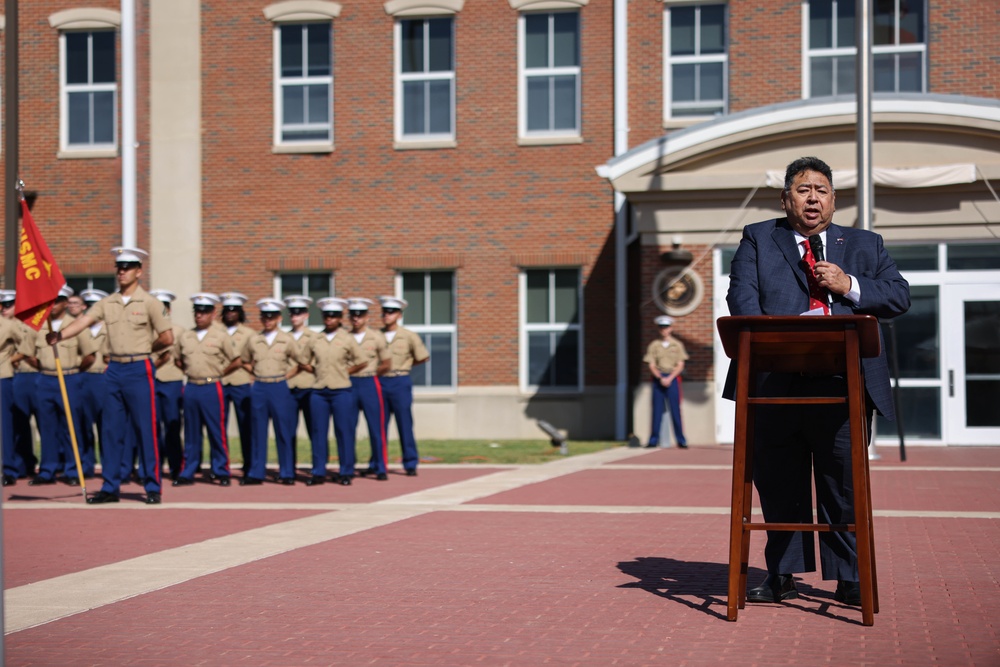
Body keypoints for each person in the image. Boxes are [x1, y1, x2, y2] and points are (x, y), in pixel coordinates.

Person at [725, 156, 910, 606]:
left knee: (841, 485)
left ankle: (848, 576)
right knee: (779, 483)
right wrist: (784, 336)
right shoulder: (759, 238)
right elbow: (742, 300)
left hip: (840, 385)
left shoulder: (865, 245)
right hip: (773, 383)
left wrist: (849, 284)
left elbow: (899, 296)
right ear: (786, 198)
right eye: (803, 189)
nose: (813, 198)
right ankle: (783, 574)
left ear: (833, 199)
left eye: (822, 190)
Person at [46, 247, 174, 505]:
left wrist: (148, 349)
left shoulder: (150, 303)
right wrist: (60, 335)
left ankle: (152, 486)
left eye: (128, 267)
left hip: (139, 368)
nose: (122, 271)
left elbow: (167, 338)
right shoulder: (108, 302)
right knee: (110, 429)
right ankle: (110, 486)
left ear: (139, 271)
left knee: (144, 428)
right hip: (113, 369)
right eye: (119, 267)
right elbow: (83, 321)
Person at [20, 285, 97, 485]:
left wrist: (75, 371)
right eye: (48, 301)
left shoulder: (76, 325)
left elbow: (90, 355)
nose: (52, 306)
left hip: (70, 377)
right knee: (46, 427)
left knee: (71, 427)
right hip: (45, 379)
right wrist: (44, 368)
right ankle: (47, 470)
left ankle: (72, 470)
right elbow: (28, 354)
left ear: (64, 303)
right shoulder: (38, 326)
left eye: (56, 301)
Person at [173, 293, 241, 486]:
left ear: (212, 314)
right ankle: (188, 470)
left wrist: (220, 372)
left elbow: (235, 360)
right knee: (191, 432)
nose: (199, 316)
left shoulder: (220, 336)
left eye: (204, 312)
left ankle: (221, 470)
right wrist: (188, 372)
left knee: (216, 430)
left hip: (212, 386)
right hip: (192, 386)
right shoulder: (186, 336)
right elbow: (177, 359)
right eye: (197, 312)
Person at [301, 297, 366, 485]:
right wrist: (317, 371)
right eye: (326, 316)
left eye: (334, 316)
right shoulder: (315, 338)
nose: (329, 319)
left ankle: (346, 471)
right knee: (318, 432)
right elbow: (303, 360)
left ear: (340, 318)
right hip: (319, 391)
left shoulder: (347, 338)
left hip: (341, 390)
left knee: (344, 431)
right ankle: (318, 471)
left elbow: (361, 361)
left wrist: (345, 372)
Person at [240, 298, 301, 485]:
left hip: (278, 386)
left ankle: (287, 472)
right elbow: (244, 360)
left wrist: (286, 376)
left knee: (283, 430)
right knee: (258, 431)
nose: (268, 320)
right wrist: (255, 373)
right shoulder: (254, 340)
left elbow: (301, 362)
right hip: (259, 386)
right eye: (265, 317)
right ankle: (256, 472)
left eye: (272, 317)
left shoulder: (287, 339)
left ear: (279, 318)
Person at [378, 296, 430, 476]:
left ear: (399, 315)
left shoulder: (408, 336)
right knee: (379, 424)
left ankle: (410, 462)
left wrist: (405, 366)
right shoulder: (376, 335)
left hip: (400, 381)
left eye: (391, 312)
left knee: (404, 423)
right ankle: (378, 462)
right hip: (380, 380)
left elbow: (423, 356)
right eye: (384, 312)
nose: (387, 315)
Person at [346, 298, 391, 480]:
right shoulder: (345, 337)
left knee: (376, 427)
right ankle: (347, 467)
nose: (356, 319)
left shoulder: (376, 337)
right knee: (347, 427)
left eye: (360, 315)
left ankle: (380, 467)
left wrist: (373, 374)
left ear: (367, 317)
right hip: (348, 384)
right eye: (353, 315)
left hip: (369, 383)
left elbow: (387, 362)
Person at [148, 289, 186, 480]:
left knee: (172, 426)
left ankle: (176, 467)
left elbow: (181, 357)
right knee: (152, 427)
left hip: (171, 381)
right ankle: (154, 468)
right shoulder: (146, 330)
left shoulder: (178, 331)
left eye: (165, 308)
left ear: (169, 310)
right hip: (151, 382)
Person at [4, 290, 39, 479]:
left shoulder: (28, 325)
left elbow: (29, 349)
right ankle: (20, 465)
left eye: (9, 305)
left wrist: (11, 359)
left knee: (45, 422)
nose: (5, 309)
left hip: (35, 375)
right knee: (17, 424)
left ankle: (54, 465)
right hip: (16, 376)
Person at [219, 292, 255, 475]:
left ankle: (249, 464)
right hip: (220, 383)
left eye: (234, 310)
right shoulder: (216, 331)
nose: (230, 314)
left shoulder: (249, 334)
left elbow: (250, 358)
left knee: (246, 426)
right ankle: (221, 466)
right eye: (227, 310)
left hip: (241, 382)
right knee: (219, 427)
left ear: (240, 312)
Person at [284, 295, 318, 475]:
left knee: (314, 429)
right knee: (288, 431)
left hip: (309, 386)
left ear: (306, 315)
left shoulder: (314, 337)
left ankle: (317, 467)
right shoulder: (284, 337)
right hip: (289, 389)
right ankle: (289, 468)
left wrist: (297, 368)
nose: (294, 317)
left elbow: (315, 363)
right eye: (292, 314)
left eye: (298, 313)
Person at [642, 315, 688, 449]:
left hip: (672, 378)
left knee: (675, 410)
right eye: (661, 327)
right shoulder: (654, 345)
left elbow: (680, 364)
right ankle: (653, 440)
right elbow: (651, 364)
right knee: (656, 411)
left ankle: (681, 440)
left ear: (671, 328)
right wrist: (660, 377)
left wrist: (669, 378)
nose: (664, 330)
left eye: (666, 327)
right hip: (658, 378)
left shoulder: (677, 345)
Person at [78, 289, 110, 475]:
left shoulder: (110, 327)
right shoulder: (79, 327)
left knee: (106, 426)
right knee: (84, 425)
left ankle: (109, 465)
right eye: (88, 307)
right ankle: (86, 464)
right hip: (84, 377)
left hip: (104, 377)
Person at [0, 290, 25, 485]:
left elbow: (27, 345)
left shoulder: (8, 325)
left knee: (5, 426)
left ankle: (8, 469)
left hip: (2, 377)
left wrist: (10, 359)